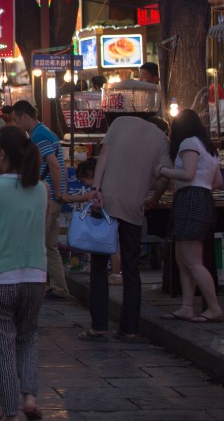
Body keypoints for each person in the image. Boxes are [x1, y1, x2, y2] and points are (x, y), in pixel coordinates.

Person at [0, 126, 48, 421]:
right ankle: (29, 397)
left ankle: (9, 413)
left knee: (2, 346)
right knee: (28, 337)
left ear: (2, 155)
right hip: (35, 273)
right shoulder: (41, 189)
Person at [82, 113, 170, 340]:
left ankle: (98, 325)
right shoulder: (162, 140)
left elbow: (104, 155)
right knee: (131, 267)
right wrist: (155, 198)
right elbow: (163, 179)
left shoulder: (120, 124)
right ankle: (129, 328)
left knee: (99, 265)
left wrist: (97, 188)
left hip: (107, 201)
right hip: (134, 204)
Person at [155, 109, 224, 323]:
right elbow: (218, 182)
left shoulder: (188, 144)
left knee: (192, 260)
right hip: (202, 197)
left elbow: (188, 174)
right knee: (182, 257)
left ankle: (213, 307)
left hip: (190, 199)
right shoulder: (208, 147)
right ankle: (187, 306)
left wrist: (163, 170)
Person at [10, 101, 68, 301]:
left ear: (25, 117)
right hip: (53, 197)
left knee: (39, 245)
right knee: (50, 246)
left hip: (48, 199)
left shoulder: (38, 135)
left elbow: (54, 165)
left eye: (16, 120)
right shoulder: (46, 131)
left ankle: (42, 287)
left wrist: (59, 192)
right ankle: (59, 287)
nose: (17, 125)